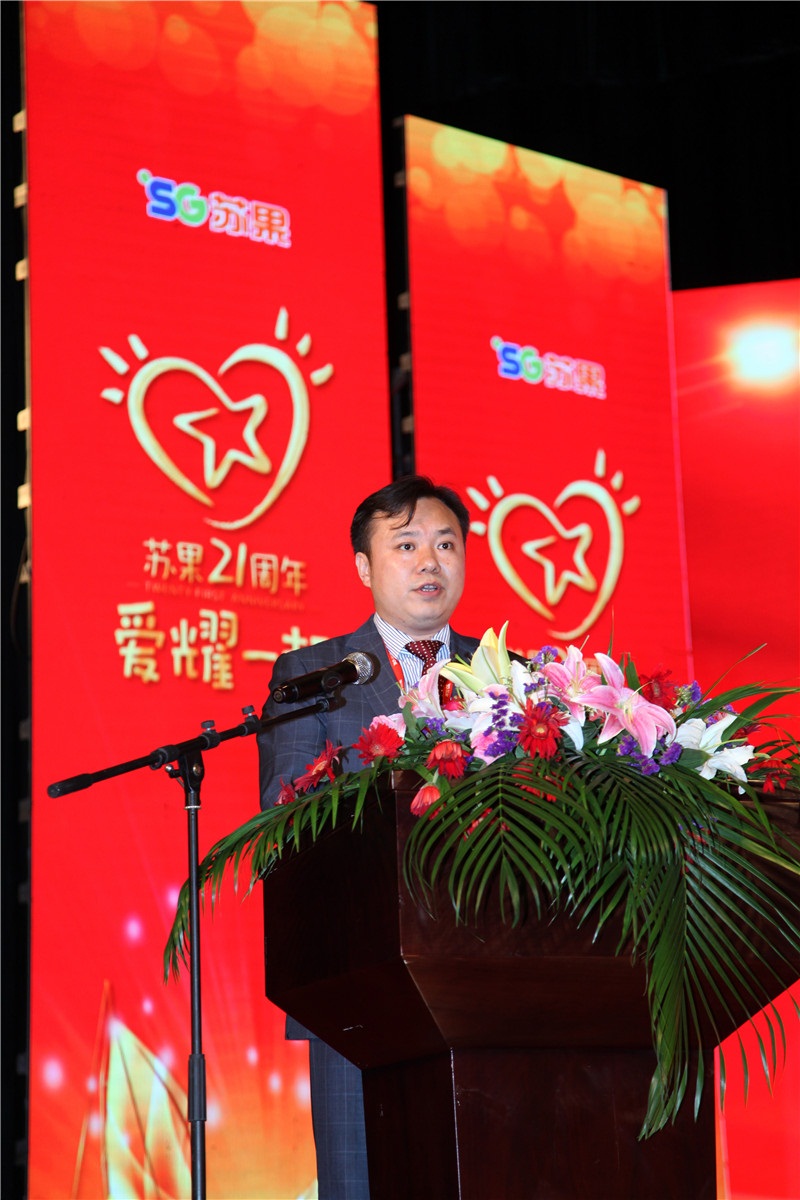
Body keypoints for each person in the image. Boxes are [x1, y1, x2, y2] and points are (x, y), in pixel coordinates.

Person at [258, 475, 480, 1200]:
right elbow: (286, 815)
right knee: (362, 1183)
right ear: (364, 566)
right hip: (359, 982)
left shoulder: (509, 677)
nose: (430, 562)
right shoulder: (313, 676)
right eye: (406, 545)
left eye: (446, 544)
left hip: (487, 977)